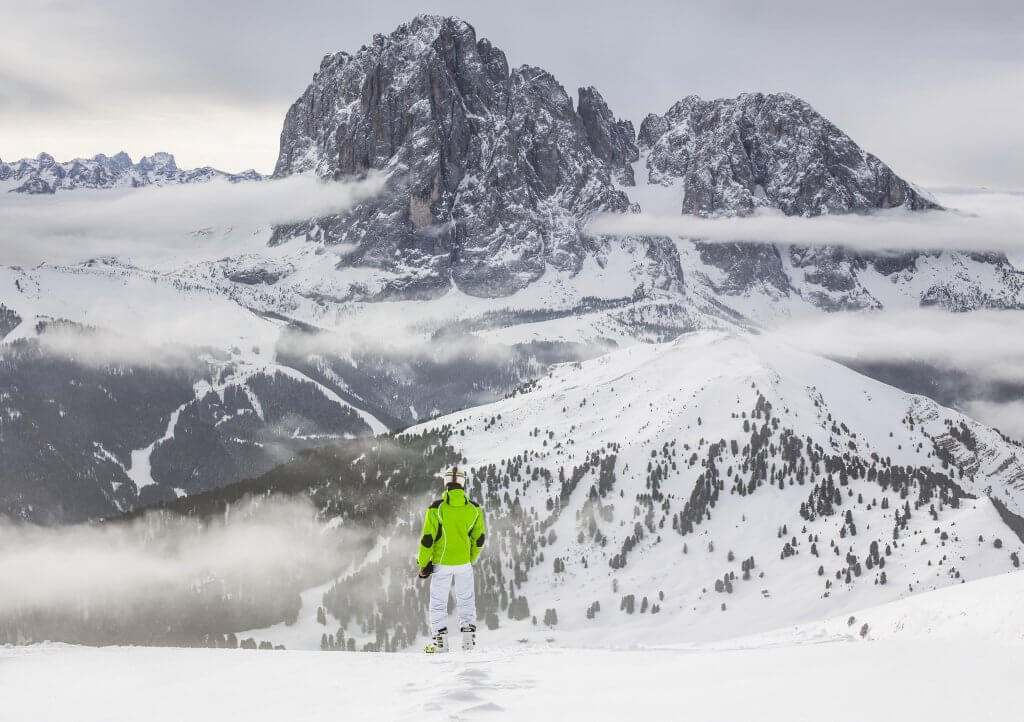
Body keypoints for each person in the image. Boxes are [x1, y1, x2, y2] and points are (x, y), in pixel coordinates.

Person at [417, 467, 486, 653]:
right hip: (464, 564)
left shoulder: (436, 508)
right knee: (466, 601)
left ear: (446, 483)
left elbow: (427, 539)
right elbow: (479, 538)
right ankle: (468, 643)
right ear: (463, 483)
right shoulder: (474, 509)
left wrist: (424, 564)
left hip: (441, 563)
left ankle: (440, 644)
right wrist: (470, 558)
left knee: (438, 603)